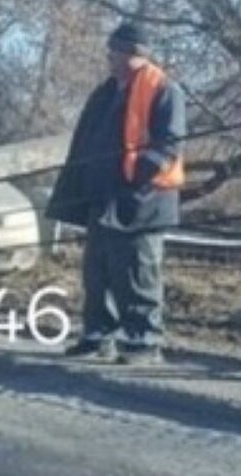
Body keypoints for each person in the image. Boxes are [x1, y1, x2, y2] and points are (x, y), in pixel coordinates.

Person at [47, 23, 186, 365]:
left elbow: (169, 144)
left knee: (138, 272)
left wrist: (136, 177)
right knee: (98, 271)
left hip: (143, 199)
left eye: (115, 51)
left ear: (132, 53)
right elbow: (85, 141)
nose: (109, 57)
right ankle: (98, 335)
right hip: (103, 196)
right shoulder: (106, 92)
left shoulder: (164, 89)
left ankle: (143, 341)